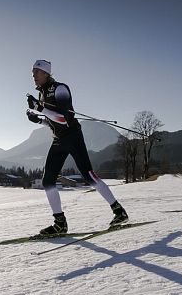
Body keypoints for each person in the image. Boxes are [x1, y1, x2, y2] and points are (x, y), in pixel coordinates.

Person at [26, 60, 129, 235]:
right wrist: (39, 120)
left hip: (72, 137)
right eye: (33, 72)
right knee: (48, 181)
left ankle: (119, 211)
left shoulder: (60, 89)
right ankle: (60, 223)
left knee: (89, 177)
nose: (33, 75)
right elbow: (53, 123)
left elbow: (63, 120)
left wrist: (40, 108)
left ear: (46, 73)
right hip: (58, 139)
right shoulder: (43, 94)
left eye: (36, 71)